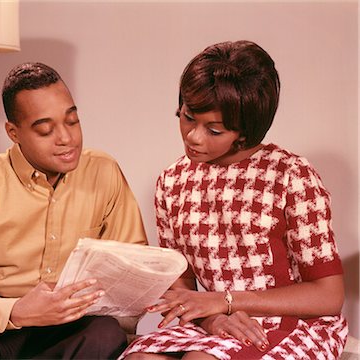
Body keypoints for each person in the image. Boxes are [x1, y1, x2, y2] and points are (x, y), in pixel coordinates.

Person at [120, 40, 347, 359]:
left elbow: (328, 296)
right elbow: (178, 282)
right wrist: (212, 317)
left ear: (244, 132)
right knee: (138, 358)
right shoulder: (172, 181)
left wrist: (227, 300)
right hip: (211, 321)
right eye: (187, 117)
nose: (193, 137)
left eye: (214, 131)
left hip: (293, 323)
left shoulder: (291, 175)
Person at [0, 62, 147, 359]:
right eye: (46, 130)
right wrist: (16, 311)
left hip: (67, 328)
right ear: (14, 132)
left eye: (72, 121)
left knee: (105, 334)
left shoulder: (104, 172)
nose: (66, 138)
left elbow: (133, 266)